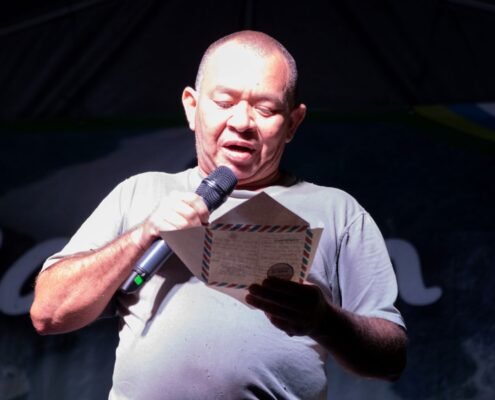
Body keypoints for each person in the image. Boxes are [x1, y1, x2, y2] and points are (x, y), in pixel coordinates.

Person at [30, 30, 407, 399]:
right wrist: (143, 233)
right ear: (191, 107)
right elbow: (48, 313)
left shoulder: (338, 211)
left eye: (265, 109)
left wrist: (323, 320)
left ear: (293, 123)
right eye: (225, 102)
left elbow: (390, 359)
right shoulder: (140, 192)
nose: (242, 122)